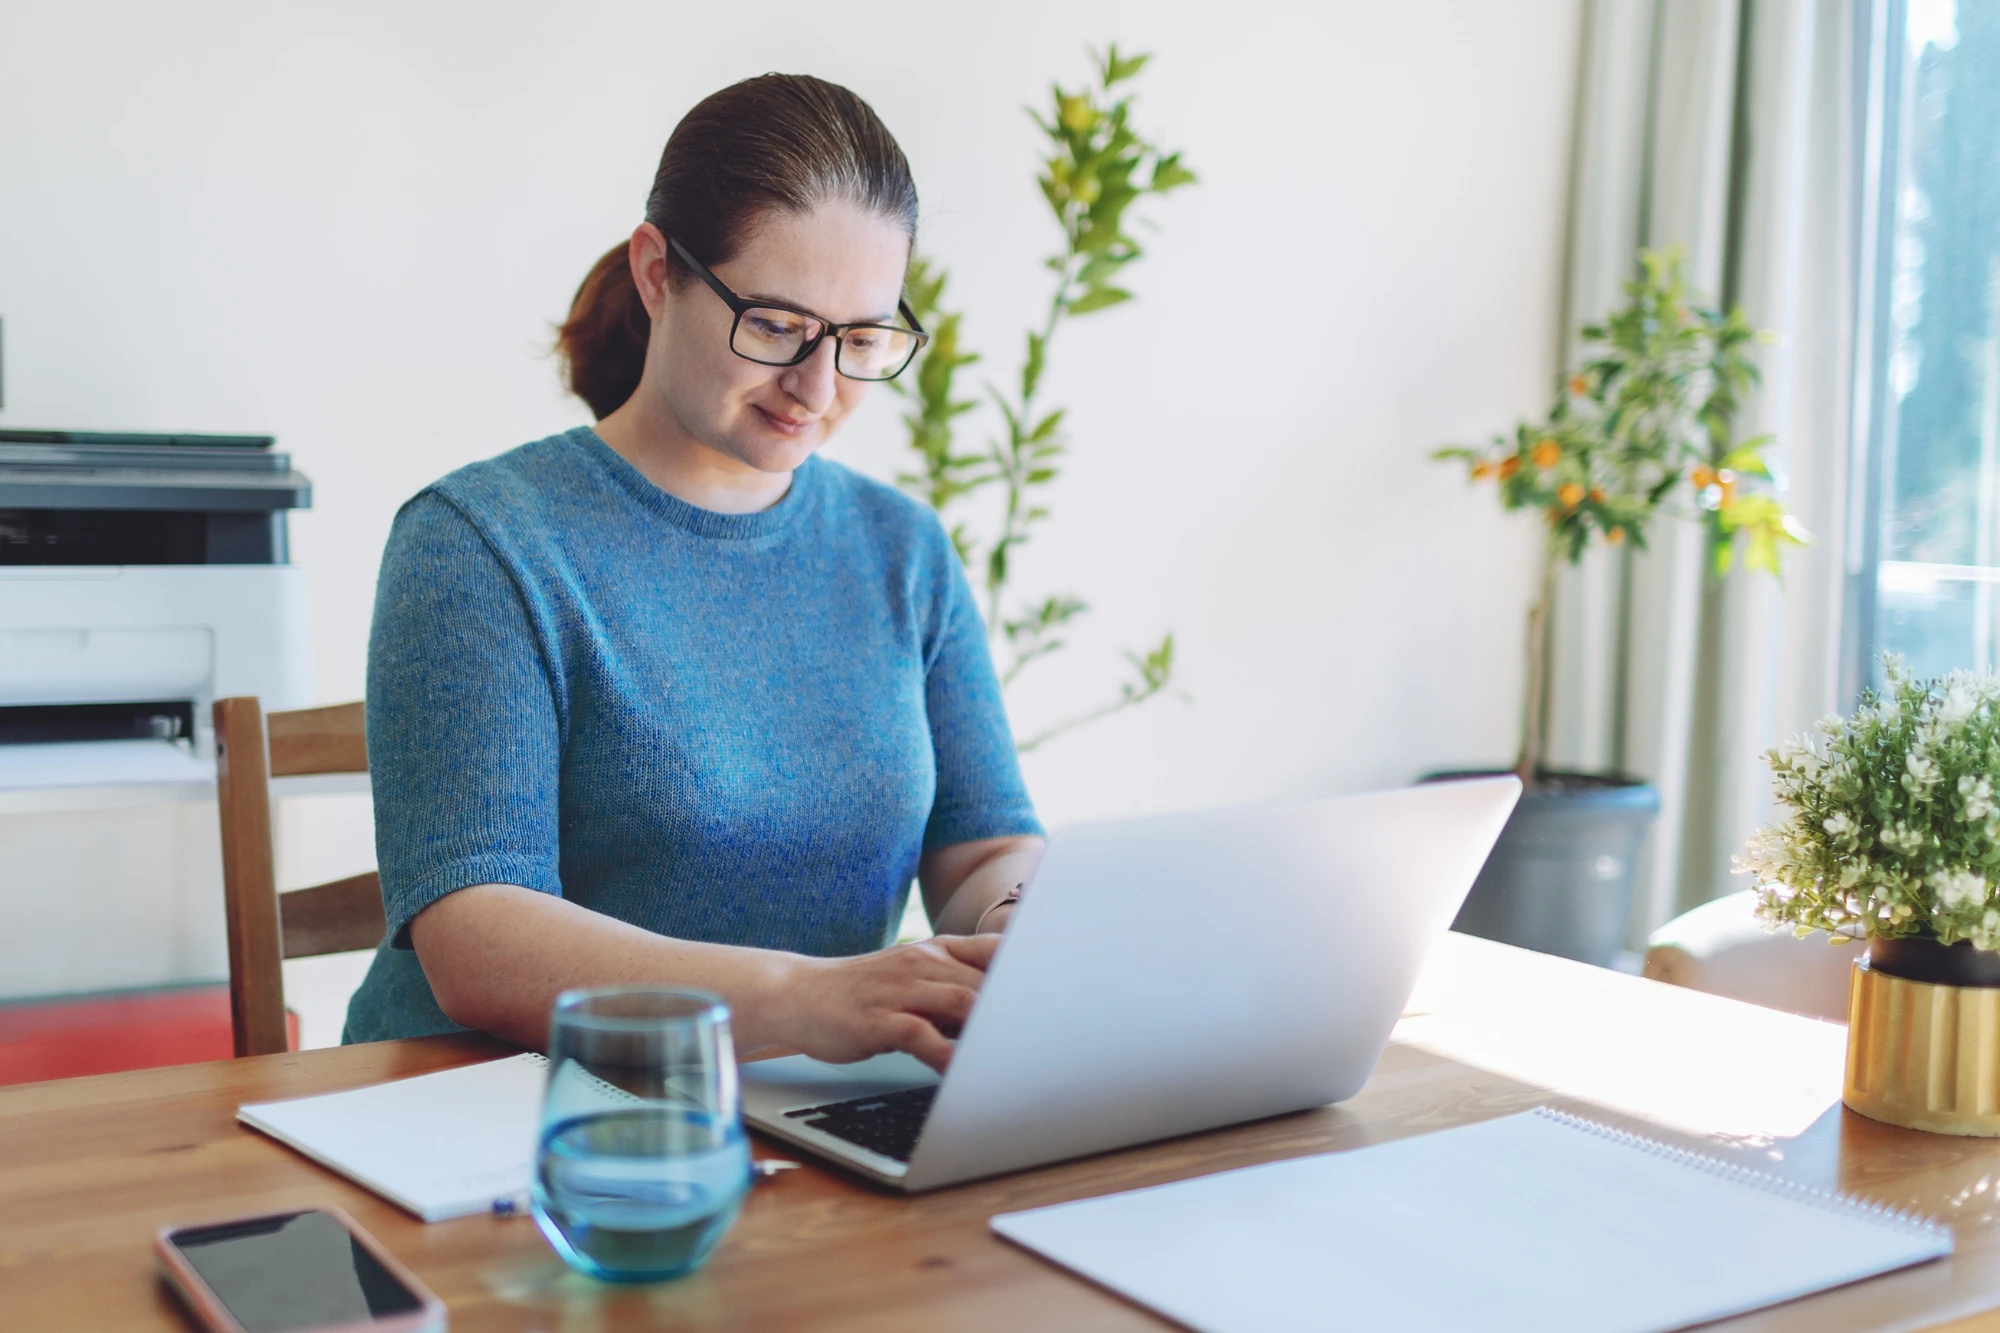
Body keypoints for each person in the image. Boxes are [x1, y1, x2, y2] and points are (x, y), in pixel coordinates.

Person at [342, 74, 1044, 1072]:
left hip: (789, 1113)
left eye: (860, 339)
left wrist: (1021, 910)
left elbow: (978, 847)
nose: (817, 386)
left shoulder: (902, 550)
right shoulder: (481, 541)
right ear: (656, 271)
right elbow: (476, 937)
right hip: (502, 1120)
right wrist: (805, 997)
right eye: (773, 325)